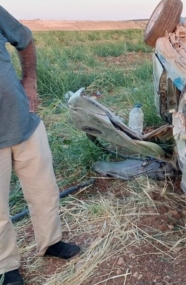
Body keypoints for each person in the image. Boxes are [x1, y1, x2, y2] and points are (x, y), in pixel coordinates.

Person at [0, 5, 80, 285]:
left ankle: (51, 243)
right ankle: (6, 267)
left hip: (25, 124)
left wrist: (30, 81)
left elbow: (26, 40)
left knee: (45, 193)